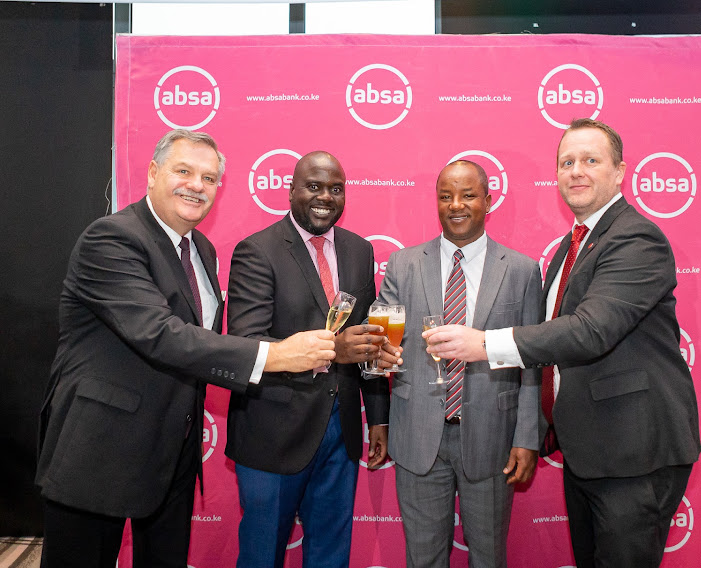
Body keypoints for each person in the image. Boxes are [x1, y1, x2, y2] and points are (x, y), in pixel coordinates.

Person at [35, 130, 335, 568]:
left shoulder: (202, 250)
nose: (197, 185)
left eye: (209, 178)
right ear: (154, 173)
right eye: (184, 171)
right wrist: (275, 355)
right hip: (100, 451)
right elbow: (161, 333)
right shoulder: (112, 238)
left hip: (171, 452)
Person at [424, 119, 701, 568]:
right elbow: (552, 351)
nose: (577, 171)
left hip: (634, 455)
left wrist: (484, 344)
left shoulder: (636, 238)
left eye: (591, 160)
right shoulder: (570, 248)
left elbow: (590, 331)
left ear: (620, 172)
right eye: (567, 162)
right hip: (590, 450)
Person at [225, 151, 391, 568]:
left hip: (342, 429)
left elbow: (367, 341)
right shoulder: (257, 251)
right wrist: (333, 349)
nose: (325, 197)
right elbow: (248, 343)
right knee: (263, 554)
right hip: (273, 431)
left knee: (331, 555)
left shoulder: (359, 249)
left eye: (336, 189)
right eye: (313, 187)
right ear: (291, 191)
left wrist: (379, 417)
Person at [375, 160, 543, 567]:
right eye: (446, 196)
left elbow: (532, 361)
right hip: (417, 437)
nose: (456, 205)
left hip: (492, 438)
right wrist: (377, 352)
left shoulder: (521, 271)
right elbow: (382, 337)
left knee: (488, 557)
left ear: (487, 201)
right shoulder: (403, 264)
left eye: (468, 195)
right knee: (424, 558)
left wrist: (527, 436)